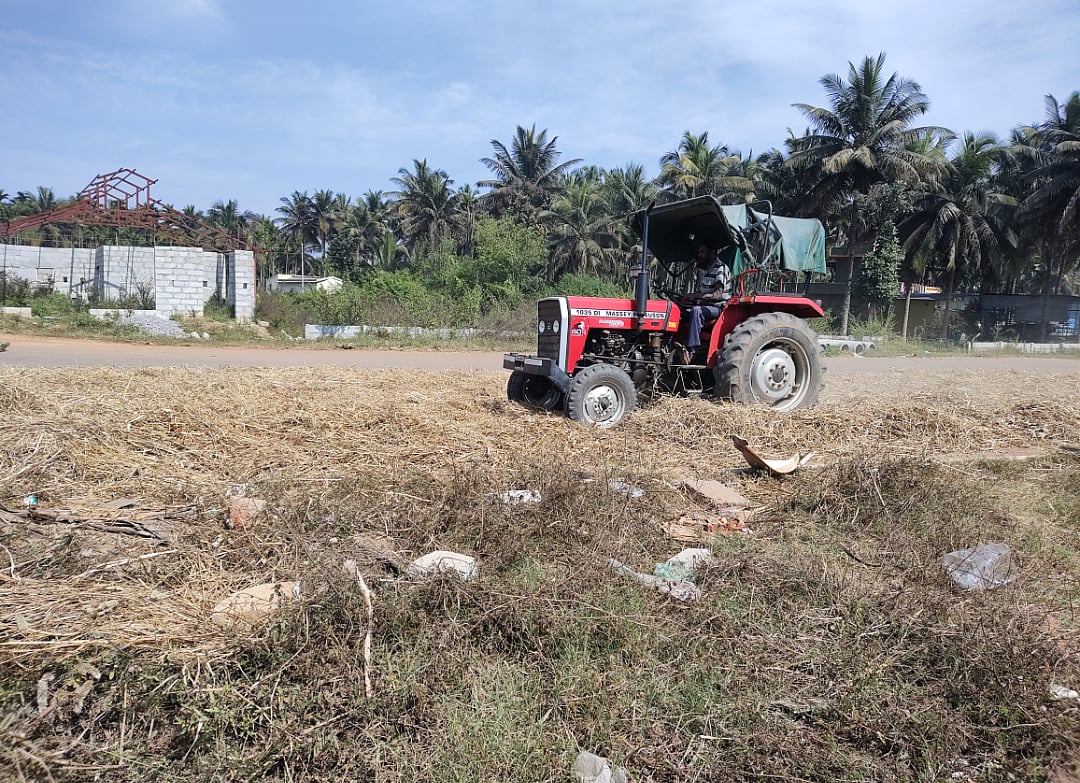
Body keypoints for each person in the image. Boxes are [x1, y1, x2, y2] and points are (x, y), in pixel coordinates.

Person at [680, 241, 732, 361]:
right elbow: (701, 294)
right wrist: (690, 298)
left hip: (717, 307)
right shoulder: (708, 270)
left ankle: (692, 350)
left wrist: (696, 296)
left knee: (696, 311)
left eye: (703, 252)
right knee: (681, 310)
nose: (699, 255)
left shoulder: (720, 269)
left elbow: (717, 295)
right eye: (699, 252)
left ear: (713, 253)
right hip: (706, 305)